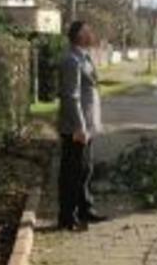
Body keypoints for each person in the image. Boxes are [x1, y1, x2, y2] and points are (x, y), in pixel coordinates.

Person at [57, 21, 106, 231]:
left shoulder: (84, 57)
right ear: (78, 35)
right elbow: (71, 96)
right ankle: (67, 217)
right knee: (72, 173)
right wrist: (79, 127)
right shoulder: (71, 60)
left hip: (87, 125)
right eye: (87, 31)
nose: (91, 34)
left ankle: (85, 209)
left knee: (85, 169)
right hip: (77, 128)